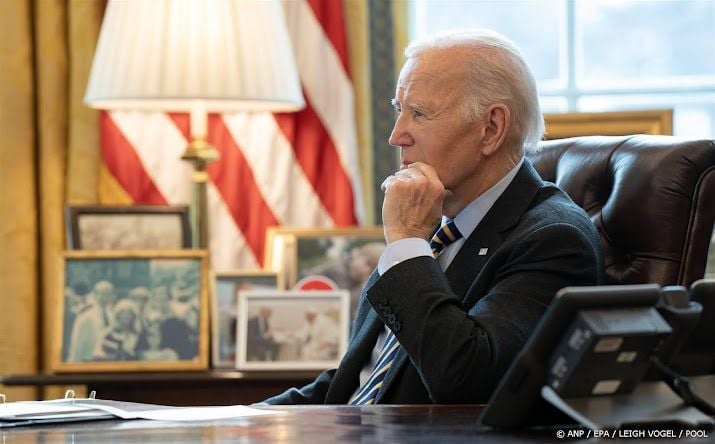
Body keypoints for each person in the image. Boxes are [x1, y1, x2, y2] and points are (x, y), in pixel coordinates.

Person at [260, 29, 603, 405]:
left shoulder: (552, 239)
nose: (396, 135)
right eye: (399, 110)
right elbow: (360, 379)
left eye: (419, 114)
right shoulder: (436, 229)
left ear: (491, 128)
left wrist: (407, 241)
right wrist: (243, 422)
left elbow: (467, 379)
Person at [67, 280, 116, 362]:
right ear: (95, 294)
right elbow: (77, 342)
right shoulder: (86, 315)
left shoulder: (113, 314)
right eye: (102, 293)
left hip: (107, 360)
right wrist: (73, 363)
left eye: (108, 294)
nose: (105, 297)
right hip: (88, 359)